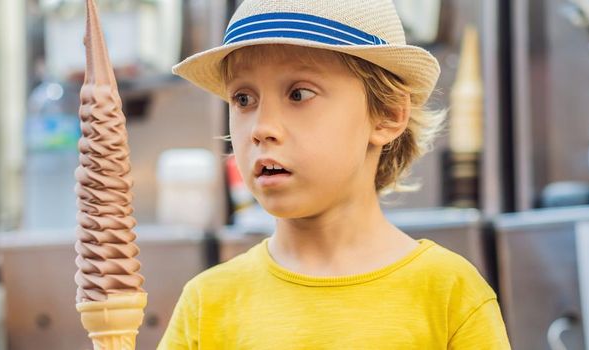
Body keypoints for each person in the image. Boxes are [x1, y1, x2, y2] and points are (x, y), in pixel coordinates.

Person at [159, 0, 510, 348]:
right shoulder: (207, 304)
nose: (261, 128)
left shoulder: (449, 293)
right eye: (243, 99)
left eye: (298, 94)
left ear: (387, 113)